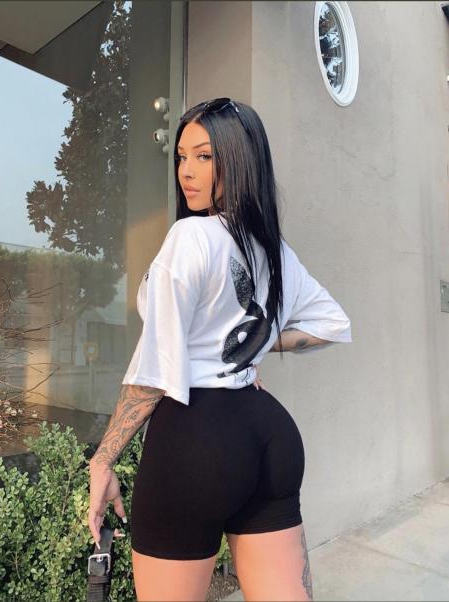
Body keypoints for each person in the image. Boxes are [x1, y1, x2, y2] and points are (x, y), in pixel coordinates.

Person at [88, 97, 352, 601]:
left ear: (239, 160)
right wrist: (253, 347)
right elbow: (331, 324)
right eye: (181, 156)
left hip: (195, 441)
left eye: (204, 156)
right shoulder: (275, 251)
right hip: (267, 434)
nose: (186, 171)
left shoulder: (191, 236)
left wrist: (103, 460)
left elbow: (155, 369)